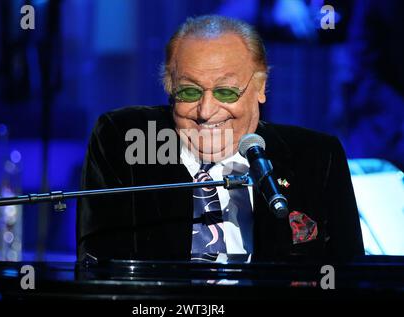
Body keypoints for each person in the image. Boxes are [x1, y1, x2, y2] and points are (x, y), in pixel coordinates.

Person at [77, 15, 363, 262]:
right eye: (189, 92)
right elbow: (100, 266)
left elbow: (348, 276)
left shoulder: (316, 157)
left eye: (226, 92)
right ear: (170, 90)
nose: (206, 111)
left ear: (261, 87)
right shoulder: (123, 140)